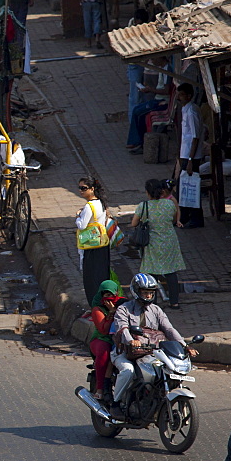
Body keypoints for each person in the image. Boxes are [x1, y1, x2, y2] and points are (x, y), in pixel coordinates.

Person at [110, 273, 197, 418]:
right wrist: (131, 340)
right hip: (125, 353)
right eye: (145, 292)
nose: (148, 296)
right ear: (136, 291)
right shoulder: (124, 309)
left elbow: (169, 329)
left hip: (150, 353)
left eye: (151, 293)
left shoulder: (156, 310)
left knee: (165, 371)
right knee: (128, 371)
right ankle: (116, 403)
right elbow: (122, 328)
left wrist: (185, 345)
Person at [131, 179, 186, 309]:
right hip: (169, 241)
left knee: (152, 272)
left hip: (152, 243)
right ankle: (174, 302)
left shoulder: (143, 206)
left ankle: (152, 303)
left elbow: (134, 223)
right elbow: (173, 219)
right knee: (171, 272)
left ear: (147, 192)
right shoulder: (169, 204)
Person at [175, 82, 205, 228]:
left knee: (192, 188)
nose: (179, 97)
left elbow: (195, 137)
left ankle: (196, 218)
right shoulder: (185, 110)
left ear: (188, 96)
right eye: (178, 94)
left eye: (181, 95)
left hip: (191, 157)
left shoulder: (192, 112)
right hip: (185, 155)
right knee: (183, 188)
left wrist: (191, 160)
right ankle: (184, 217)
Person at [76, 175, 110, 306]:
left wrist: (78, 216)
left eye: (84, 188)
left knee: (90, 278)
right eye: (79, 188)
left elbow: (82, 225)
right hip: (102, 243)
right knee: (101, 275)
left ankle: (94, 306)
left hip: (90, 245)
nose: (81, 191)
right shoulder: (100, 203)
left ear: (92, 189)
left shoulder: (89, 206)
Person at [89, 280, 123, 400]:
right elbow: (103, 330)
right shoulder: (97, 309)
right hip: (102, 339)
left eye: (111, 295)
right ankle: (100, 388)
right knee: (105, 353)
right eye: (106, 295)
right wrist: (112, 312)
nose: (109, 298)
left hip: (120, 338)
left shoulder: (123, 304)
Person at [127, 74, 173, 153]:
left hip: (162, 102)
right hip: (157, 100)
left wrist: (151, 90)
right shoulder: (162, 70)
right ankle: (135, 140)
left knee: (140, 114)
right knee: (136, 109)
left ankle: (140, 142)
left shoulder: (167, 71)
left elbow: (166, 91)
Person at [126, 9, 151, 122]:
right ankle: (133, 122)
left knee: (145, 93)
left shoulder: (146, 26)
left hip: (144, 64)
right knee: (134, 97)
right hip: (134, 65)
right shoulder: (131, 28)